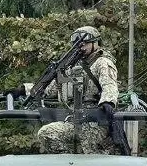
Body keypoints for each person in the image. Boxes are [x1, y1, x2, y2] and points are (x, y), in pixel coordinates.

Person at [7, 26, 131, 155]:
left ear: (96, 43)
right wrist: (22, 90)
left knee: (90, 158)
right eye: (77, 45)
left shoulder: (102, 62)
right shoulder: (72, 67)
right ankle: (71, 163)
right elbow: (49, 88)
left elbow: (109, 85)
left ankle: (77, 162)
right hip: (74, 121)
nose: (81, 47)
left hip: (95, 121)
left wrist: (108, 102)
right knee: (47, 133)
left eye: (85, 43)